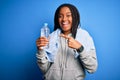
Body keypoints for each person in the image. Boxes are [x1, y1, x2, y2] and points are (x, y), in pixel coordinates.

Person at [36, 3, 98, 80]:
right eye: (60, 16)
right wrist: (40, 50)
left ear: (75, 17)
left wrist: (80, 48)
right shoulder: (51, 38)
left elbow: (92, 68)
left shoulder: (85, 37)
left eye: (68, 15)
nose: (64, 19)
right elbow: (44, 69)